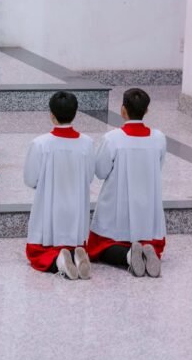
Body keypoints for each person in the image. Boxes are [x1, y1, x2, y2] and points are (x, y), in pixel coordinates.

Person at [87, 88, 167, 277]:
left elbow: (100, 171)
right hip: (147, 210)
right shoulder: (158, 138)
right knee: (150, 240)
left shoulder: (113, 139)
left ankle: (128, 256)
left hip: (117, 210)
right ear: (146, 111)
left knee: (98, 247)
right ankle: (147, 251)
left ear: (123, 110)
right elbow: (158, 166)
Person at [24, 91, 94, 280]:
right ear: (75, 113)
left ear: (51, 114)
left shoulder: (40, 144)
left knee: (37, 252)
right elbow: (89, 177)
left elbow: (30, 179)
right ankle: (76, 255)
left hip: (50, 209)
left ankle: (59, 261)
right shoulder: (87, 143)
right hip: (75, 211)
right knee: (74, 243)